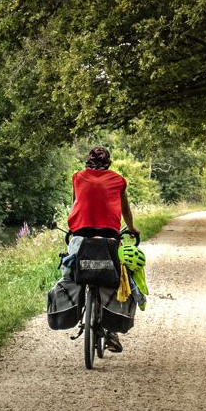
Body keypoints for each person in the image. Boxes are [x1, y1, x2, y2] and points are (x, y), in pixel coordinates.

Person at [67, 146, 139, 352]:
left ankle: (79, 307)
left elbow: (76, 204)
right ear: (108, 163)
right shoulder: (119, 180)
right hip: (109, 236)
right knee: (116, 277)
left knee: (72, 270)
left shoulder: (77, 177)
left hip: (81, 233)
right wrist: (132, 228)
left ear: (88, 161)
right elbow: (125, 209)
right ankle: (112, 332)